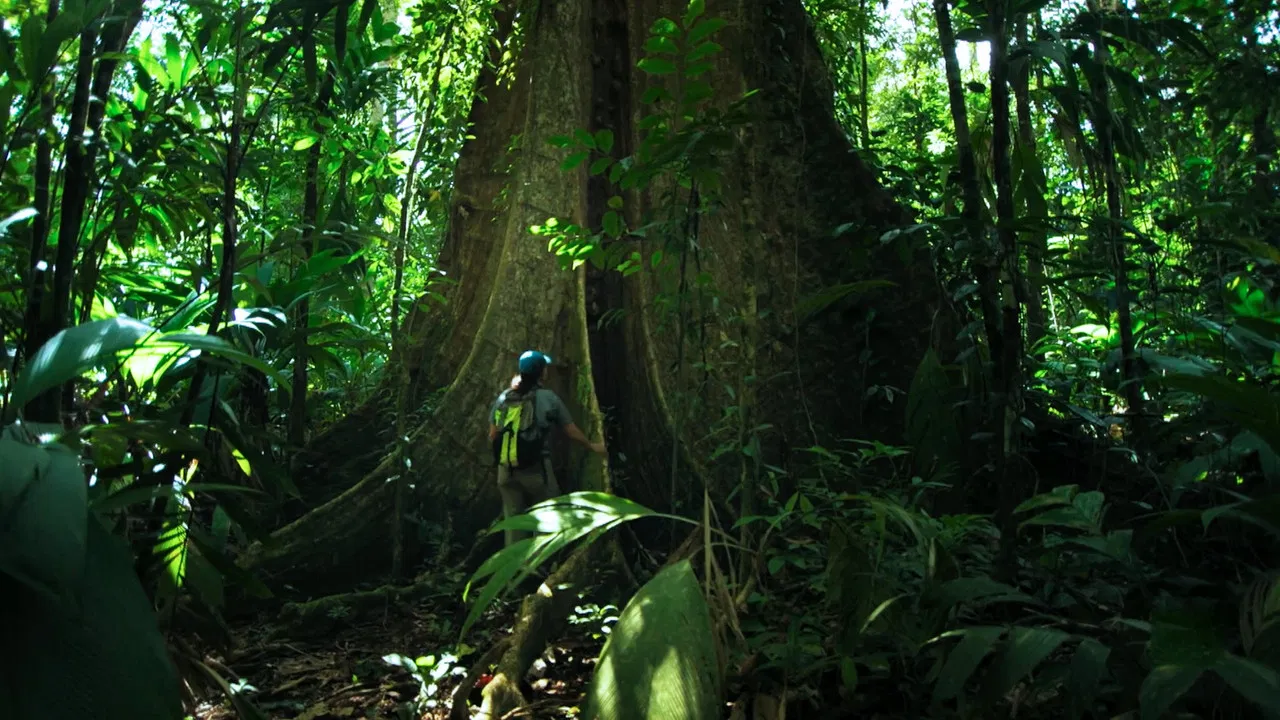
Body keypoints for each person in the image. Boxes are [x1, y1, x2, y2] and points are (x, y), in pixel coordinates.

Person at [488, 350, 605, 546]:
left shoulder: (504, 397)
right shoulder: (547, 398)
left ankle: (514, 569)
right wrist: (591, 446)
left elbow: (492, 434)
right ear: (542, 373)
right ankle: (540, 563)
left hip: (505, 472)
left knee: (513, 522)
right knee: (549, 514)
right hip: (535, 471)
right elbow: (571, 431)